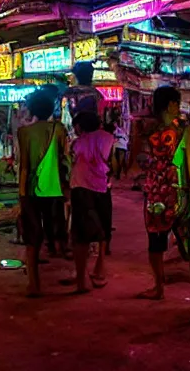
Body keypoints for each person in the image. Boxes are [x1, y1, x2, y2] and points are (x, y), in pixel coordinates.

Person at [138, 87, 190, 321]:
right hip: (179, 195)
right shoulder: (187, 131)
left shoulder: (147, 132)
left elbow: (139, 164)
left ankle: (158, 287)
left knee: (155, 244)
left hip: (154, 196)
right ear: (172, 105)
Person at [15, 91, 71, 297]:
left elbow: (24, 167)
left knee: (32, 239)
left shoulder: (24, 133)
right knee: (56, 233)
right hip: (54, 189)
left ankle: (34, 283)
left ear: (31, 109)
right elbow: (64, 160)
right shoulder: (59, 129)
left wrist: (21, 196)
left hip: (31, 190)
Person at [66, 112, 114, 292]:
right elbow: (112, 162)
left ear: (80, 126)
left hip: (81, 188)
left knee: (80, 237)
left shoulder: (78, 143)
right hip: (102, 187)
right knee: (103, 229)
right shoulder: (108, 138)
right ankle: (99, 269)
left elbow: (74, 160)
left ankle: (81, 281)